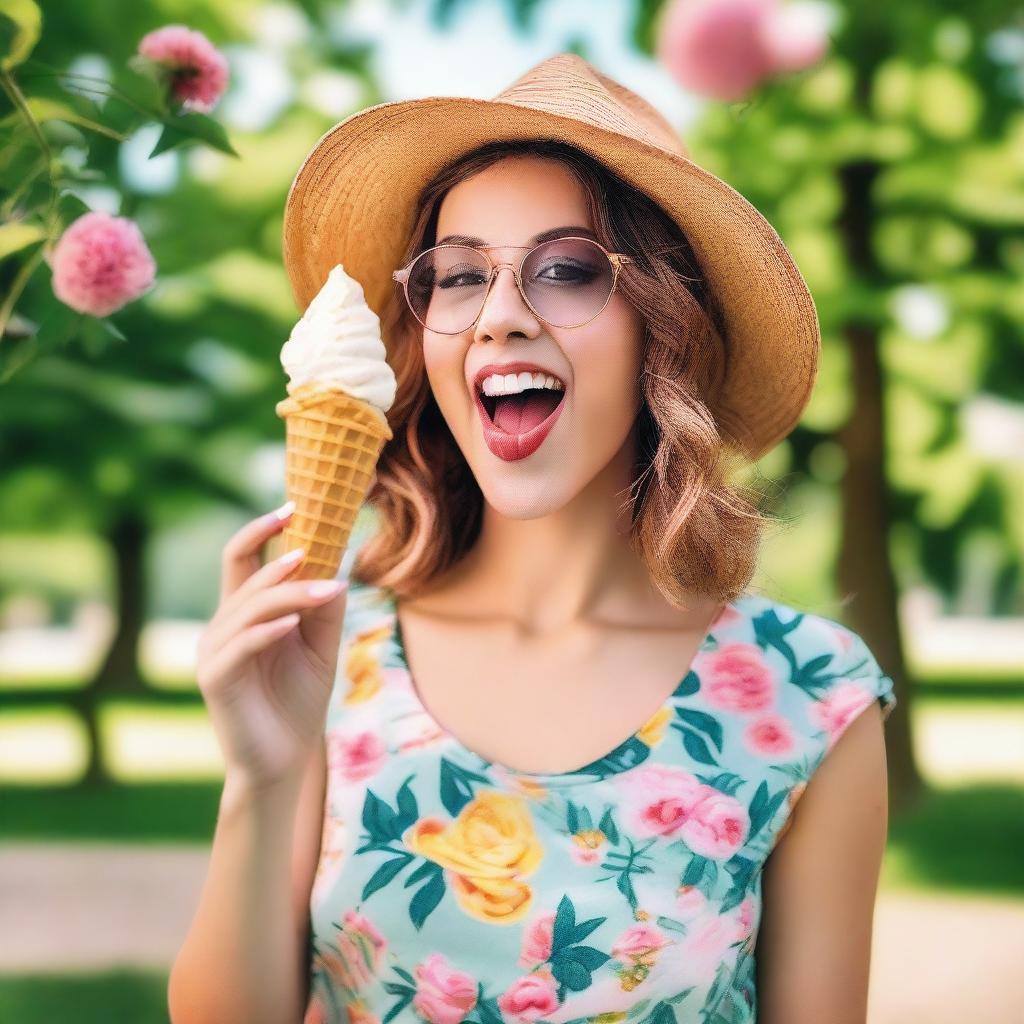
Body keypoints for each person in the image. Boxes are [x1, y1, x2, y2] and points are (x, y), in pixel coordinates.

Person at [169, 53, 897, 1024]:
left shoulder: (812, 698)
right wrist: (261, 776)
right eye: (459, 274)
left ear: (662, 329)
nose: (498, 317)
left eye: (564, 271)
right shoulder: (328, 654)